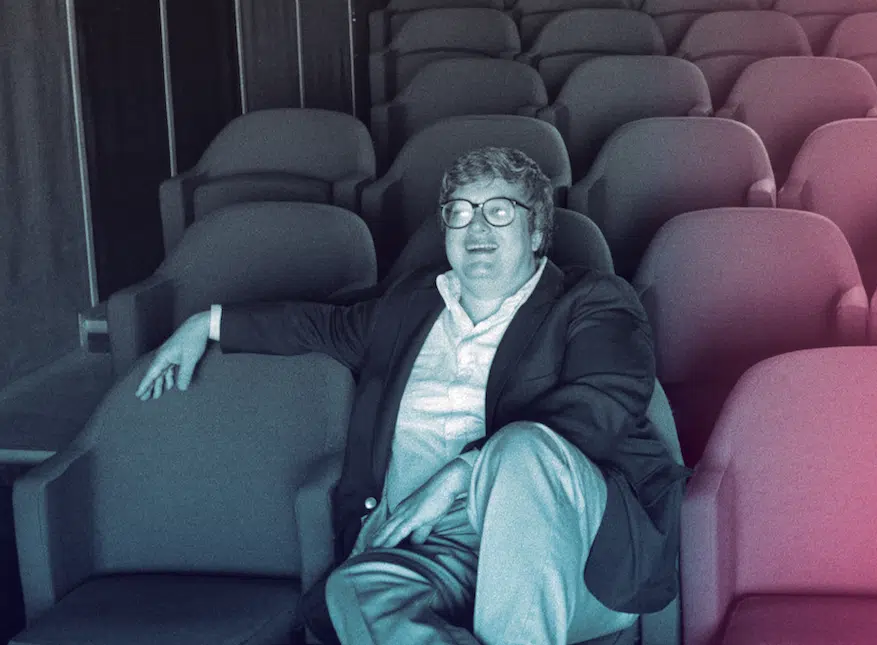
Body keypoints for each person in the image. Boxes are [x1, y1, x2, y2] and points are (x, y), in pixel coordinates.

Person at [136, 147, 690, 645]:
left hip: (569, 549)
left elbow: (602, 405)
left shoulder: (592, 300)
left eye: (500, 211)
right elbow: (320, 326)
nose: (477, 227)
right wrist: (208, 323)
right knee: (355, 591)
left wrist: (460, 474)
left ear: (537, 230)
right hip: (431, 551)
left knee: (521, 448)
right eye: (461, 212)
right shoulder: (410, 305)